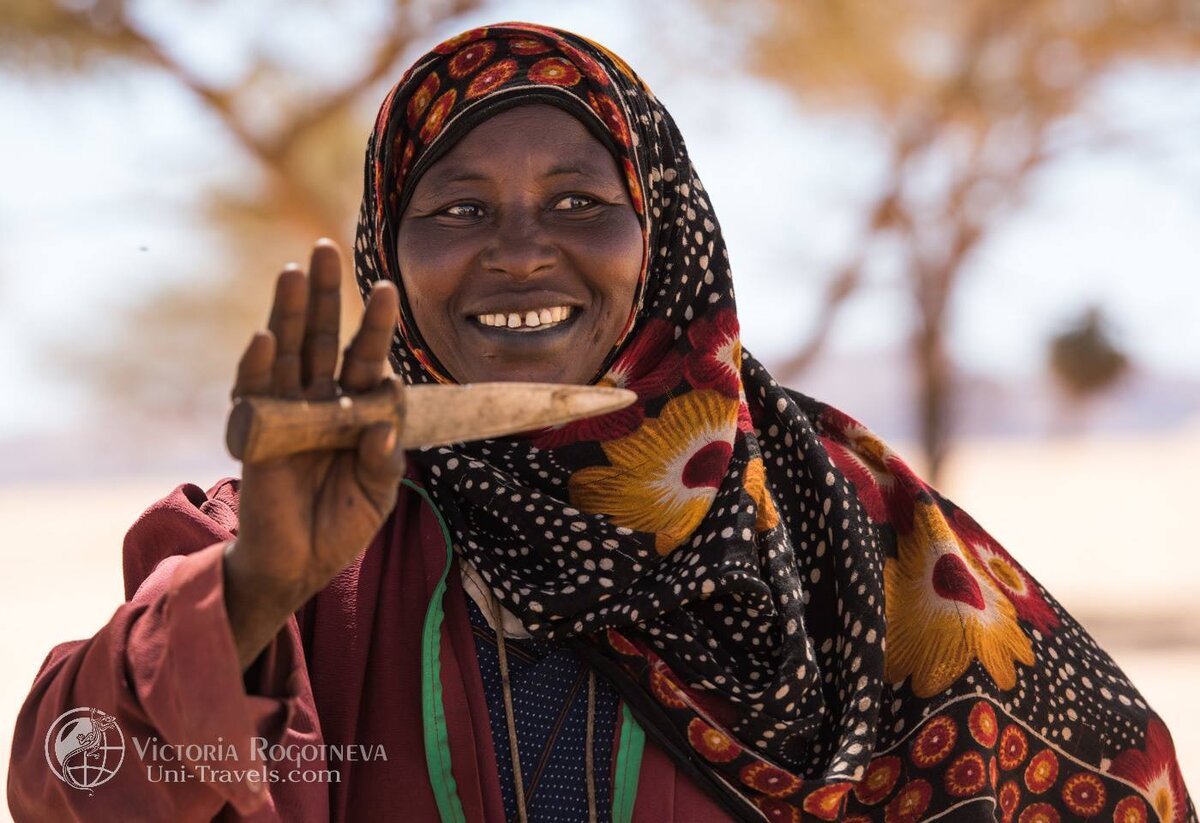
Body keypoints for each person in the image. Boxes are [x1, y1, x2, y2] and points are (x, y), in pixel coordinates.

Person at [7, 21, 1195, 823]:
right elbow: (68, 780)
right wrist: (255, 585)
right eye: (456, 208)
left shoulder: (839, 527)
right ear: (388, 255)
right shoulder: (286, 537)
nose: (520, 249)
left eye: (580, 200)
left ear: (664, 234)